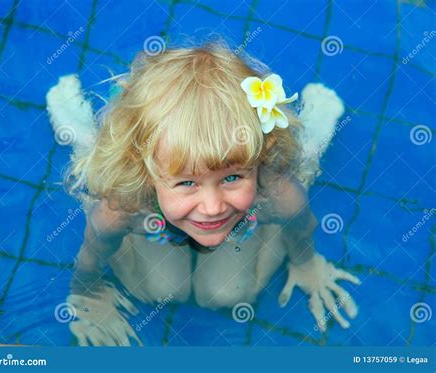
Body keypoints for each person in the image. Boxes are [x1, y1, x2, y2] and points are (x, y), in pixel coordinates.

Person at [46, 40, 360, 346]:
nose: (212, 207)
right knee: (152, 283)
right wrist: (87, 292)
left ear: (259, 158)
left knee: (229, 292)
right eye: (187, 182)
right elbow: (94, 247)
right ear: (146, 169)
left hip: (247, 214)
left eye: (233, 177)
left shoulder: (274, 192)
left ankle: (312, 136)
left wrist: (306, 264)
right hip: (150, 210)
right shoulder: (125, 205)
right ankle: (82, 137)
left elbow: (301, 226)